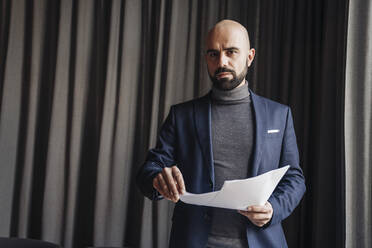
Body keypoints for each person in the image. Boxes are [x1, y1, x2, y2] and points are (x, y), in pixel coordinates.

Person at [136, 19, 306, 248]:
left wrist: (273, 208)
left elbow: (295, 179)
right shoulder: (181, 115)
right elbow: (150, 168)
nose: (221, 62)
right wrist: (158, 179)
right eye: (213, 54)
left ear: (250, 56)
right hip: (194, 242)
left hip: (262, 242)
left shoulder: (280, 115)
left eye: (231, 52)